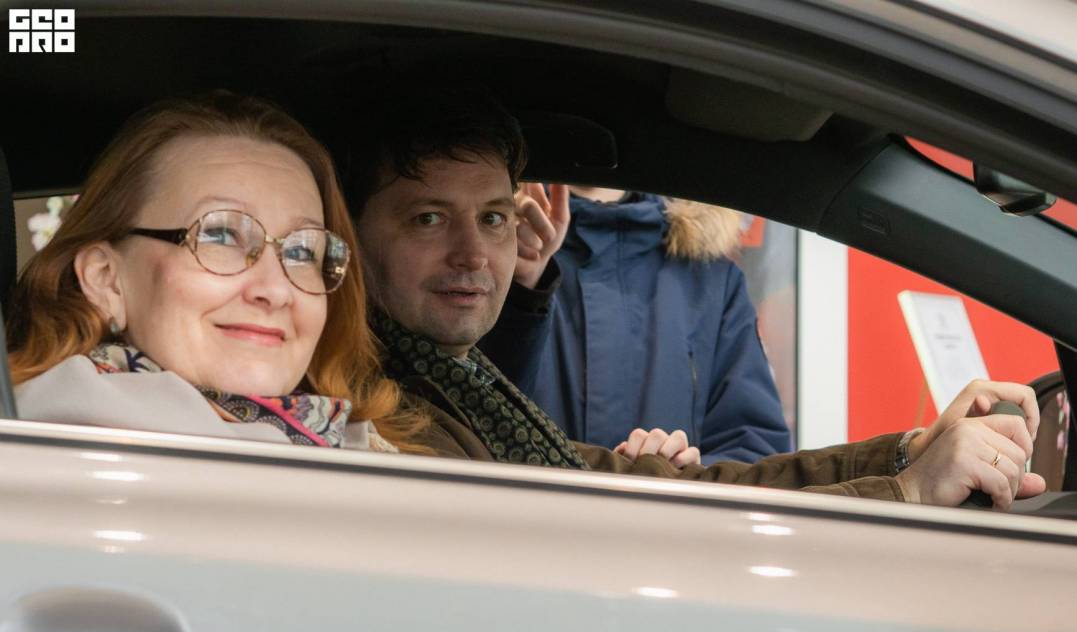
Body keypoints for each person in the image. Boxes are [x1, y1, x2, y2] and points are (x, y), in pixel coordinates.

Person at [347, 88, 1045, 508]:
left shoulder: (448, 387)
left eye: (493, 218)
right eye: (428, 218)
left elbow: (682, 481)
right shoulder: (382, 420)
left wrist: (906, 454)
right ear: (350, 233)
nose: (473, 254)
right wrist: (909, 490)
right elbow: (606, 535)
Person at [6, 92, 424, 452]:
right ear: (106, 280)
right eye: (220, 235)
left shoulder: (343, 441)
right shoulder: (61, 443)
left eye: (301, 250)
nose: (276, 290)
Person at [483, 182, 792, 464]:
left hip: (666, 511)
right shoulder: (488, 256)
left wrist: (689, 473)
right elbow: (466, 415)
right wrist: (519, 292)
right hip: (515, 509)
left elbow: (755, 452)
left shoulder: (710, 279)